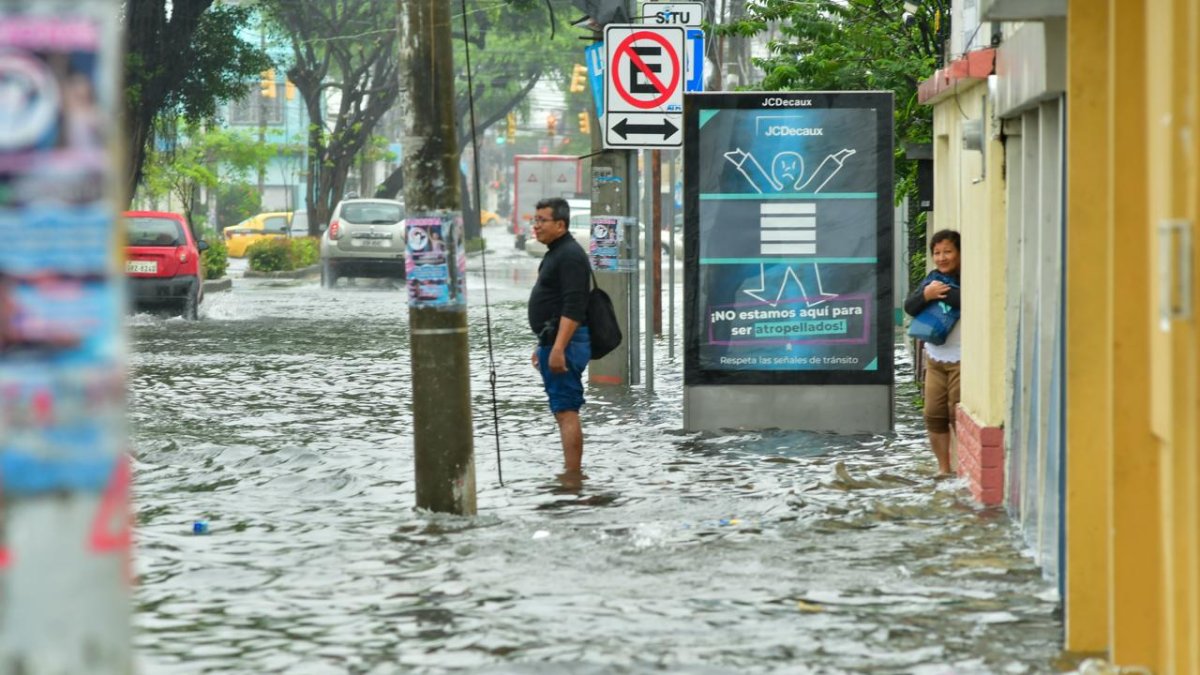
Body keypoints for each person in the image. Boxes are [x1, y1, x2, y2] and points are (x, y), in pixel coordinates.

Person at [527, 197, 592, 482]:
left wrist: (558, 348)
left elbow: (574, 307)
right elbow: (554, 303)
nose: (536, 226)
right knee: (562, 408)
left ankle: (572, 477)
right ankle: (571, 475)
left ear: (560, 225)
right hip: (555, 341)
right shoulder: (557, 252)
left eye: (542, 220)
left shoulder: (569, 256)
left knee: (566, 409)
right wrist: (542, 344)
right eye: (535, 220)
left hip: (567, 343)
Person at [904, 229, 962, 478]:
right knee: (934, 415)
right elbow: (910, 306)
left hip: (962, 358)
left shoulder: (968, 278)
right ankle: (943, 469)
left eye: (947, 251)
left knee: (956, 412)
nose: (941, 258)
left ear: (960, 253)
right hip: (936, 356)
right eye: (936, 253)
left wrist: (939, 292)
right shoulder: (932, 279)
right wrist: (926, 294)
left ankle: (962, 466)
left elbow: (965, 299)